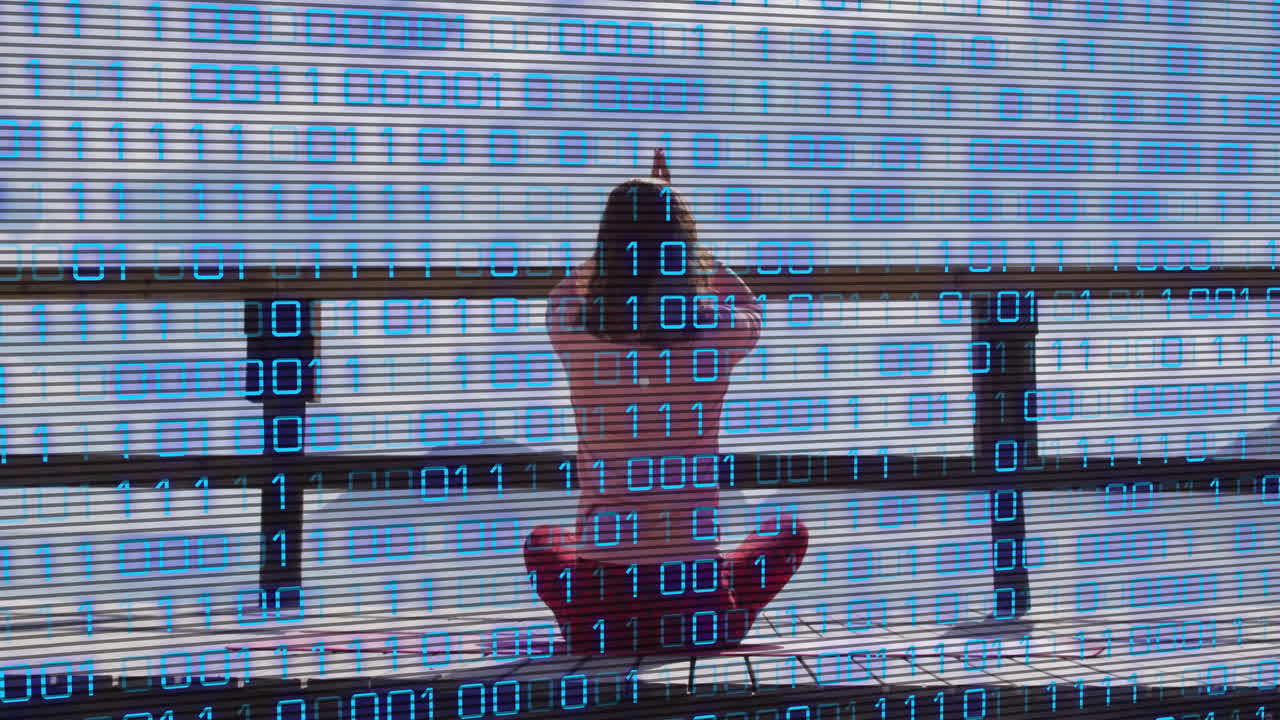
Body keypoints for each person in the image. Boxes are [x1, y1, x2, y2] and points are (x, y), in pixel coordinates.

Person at [523, 149, 809, 654]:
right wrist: (681, 232)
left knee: (543, 541)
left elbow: (570, 286)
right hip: (695, 608)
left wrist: (625, 238)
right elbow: (748, 304)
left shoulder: (572, 326)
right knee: (788, 532)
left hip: (600, 612)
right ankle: (723, 615)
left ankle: (585, 626)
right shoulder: (716, 331)